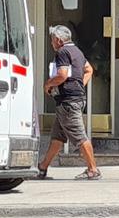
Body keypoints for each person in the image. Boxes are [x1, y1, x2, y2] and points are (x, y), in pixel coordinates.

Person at [37, 25, 101, 180]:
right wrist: (80, 85)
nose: (52, 43)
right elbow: (89, 69)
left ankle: (93, 169)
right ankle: (43, 167)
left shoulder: (62, 52)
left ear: (58, 40)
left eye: (52, 40)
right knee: (58, 136)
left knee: (79, 136)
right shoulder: (77, 51)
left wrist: (48, 84)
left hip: (68, 102)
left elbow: (62, 75)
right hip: (74, 99)